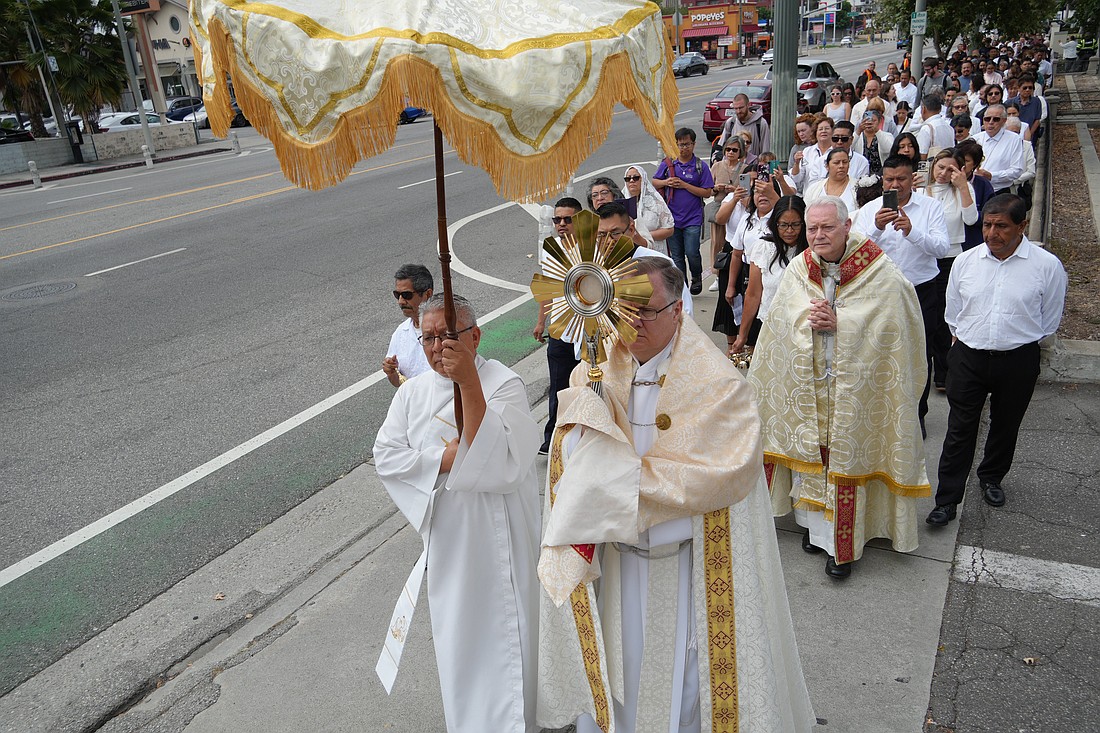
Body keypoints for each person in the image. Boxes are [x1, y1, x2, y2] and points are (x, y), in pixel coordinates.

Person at [536, 256, 816, 733]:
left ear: (679, 310)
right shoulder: (595, 372)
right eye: (625, 308)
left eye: (648, 310)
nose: (635, 322)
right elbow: (567, 455)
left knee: (686, 690)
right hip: (619, 565)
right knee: (617, 680)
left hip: (686, 566)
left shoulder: (720, 386)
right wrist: (582, 427)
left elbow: (719, 478)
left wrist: (610, 486)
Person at [374, 293, 541, 732]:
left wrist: (468, 383)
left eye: (447, 337)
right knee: (460, 632)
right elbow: (387, 455)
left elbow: (504, 462)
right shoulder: (412, 393)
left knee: (507, 629)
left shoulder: (503, 383)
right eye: (427, 339)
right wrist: (441, 460)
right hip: (450, 534)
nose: (435, 349)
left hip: (498, 526)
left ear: (475, 336)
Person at [750, 197, 930, 578]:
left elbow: (898, 325)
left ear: (847, 227)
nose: (818, 236)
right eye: (811, 228)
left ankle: (842, 545)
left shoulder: (879, 271)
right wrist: (806, 321)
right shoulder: (801, 267)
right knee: (814, 457)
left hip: (857, 390)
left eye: (827, 227)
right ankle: (817, 532)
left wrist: (843, 326)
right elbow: (780, 322)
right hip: (812, 386)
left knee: (846, 458)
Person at [926, 194, 1067, 526]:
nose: (992, 233)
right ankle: (947, 500)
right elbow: (954, 312)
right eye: (988, 225)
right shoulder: (966, 262)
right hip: (969, 357)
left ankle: (991, 477)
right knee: (960, 429)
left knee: (1005, 425)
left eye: (1001, 226)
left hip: (1018, 360)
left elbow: (1050, 319)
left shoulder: (1046, 266)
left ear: (1021, 226)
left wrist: (1015, 340)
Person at [852, 155, 950, 436]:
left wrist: (912, 231)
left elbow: (942, 249)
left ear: (912, 179)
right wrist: (877, 228)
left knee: (921, 353)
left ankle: (916, 414)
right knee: (880, 352)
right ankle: (882, 413)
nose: (895, 185)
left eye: (902, 179)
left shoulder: (930, 207)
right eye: (890, 180)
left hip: (922, 290)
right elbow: (856, 252)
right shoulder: (870, 209)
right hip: (882, 292)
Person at [925, 149, 978, 391]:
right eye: (940, 167)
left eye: (950, 169)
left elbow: (970, 218)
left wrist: (963, 185)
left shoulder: (961, 191)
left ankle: (944, 374)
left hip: (951, 257)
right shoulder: (921, 190)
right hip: (926, 257)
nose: (944, 173)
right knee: (929, 315)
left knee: (947, 315)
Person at [535, 198, 585, 453]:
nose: (561, 224)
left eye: (568, 219)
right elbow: (546, 286)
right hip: (560, 330)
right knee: (558, 386)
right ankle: (552, 437)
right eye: (557, 220)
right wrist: (541, 320)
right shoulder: (550, 246)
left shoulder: (592, 246)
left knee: (584, 385)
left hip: (588, 332)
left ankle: (582, 433)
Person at [731, 194, 807, 355]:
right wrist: (742, 335)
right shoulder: (763, 248)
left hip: (804, 331)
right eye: (783, 225)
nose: (789, 231)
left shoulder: (812, 251)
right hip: (769, 326)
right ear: (775, 224)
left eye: (795, 225)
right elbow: (753, 294)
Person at [654, 127, 715, 295]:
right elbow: (653, 182)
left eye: (687, 144)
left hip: (693, 218)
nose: (683, 148)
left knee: (692, 252)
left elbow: (707, 192)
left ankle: (696, 275)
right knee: (677, 256)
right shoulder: (668, 164)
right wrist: (667, 182)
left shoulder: (700, 166)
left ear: (694, 144)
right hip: (672, 219)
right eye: (680, 145)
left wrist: (685, 185)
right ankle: (683, 288)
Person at [382, 264, 433, 388]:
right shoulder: (400, 333)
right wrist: (391, 373)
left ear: (427, 294)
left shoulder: (444, 330)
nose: (400, 301)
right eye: (397, 295)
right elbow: (399, 382)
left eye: (406, 295)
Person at [972, 104, 1026, 194]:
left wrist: (992, 176)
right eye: (987, 119)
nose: (991, 122)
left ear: (1004, 121)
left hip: (999, 191)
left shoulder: (1014, 139)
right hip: (976, 190)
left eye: (996, 119)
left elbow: (1017, 170)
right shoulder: (975, 139)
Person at [954, 138, 997, 251]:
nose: (961, 164)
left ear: (975, 164)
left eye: (966, 161)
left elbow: (990, 214)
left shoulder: (983, 185)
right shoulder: (943, 182)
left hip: (972, 241)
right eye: (958, 159)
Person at [623, 165, 674, 252]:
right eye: (628, 179)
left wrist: (644, 236)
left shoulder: (656, 202)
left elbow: (669, 229)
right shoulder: (621, 204)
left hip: (655, 250)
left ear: (643, 180)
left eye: (635, 178)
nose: (631, 181)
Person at [804, 147, 858, 214]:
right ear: (827, 166)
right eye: (836, 163)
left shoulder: (858, 188)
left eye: (845, 162)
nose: (841, 166)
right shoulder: (814, 189)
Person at [716, 93, 771, 158]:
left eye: (741, 108)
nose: (738, 111)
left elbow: (765, 151)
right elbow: (721, 146)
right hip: (734, 166)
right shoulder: (731, 122)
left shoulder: (761, 123)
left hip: (752, 166)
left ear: (748, 105)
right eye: (736, 108)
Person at [790, 115, 834, 191]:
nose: (823, 131)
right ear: (815, 133)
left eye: (827, 128)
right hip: (810, 196)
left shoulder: (837, 151)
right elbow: (796, 178)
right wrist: (796, 163)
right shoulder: (807, 151)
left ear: (833, 131)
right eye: (820, 129)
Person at [853, 99, 894, 177]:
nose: (869, 122)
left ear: (879, 122)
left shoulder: (887, 135)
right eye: (866, 120)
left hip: (881, 175)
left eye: (874, 120)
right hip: (860, 175)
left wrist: (877, 130)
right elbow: (848, 147)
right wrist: (858, 131)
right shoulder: (858, 136)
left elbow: (888, 149)